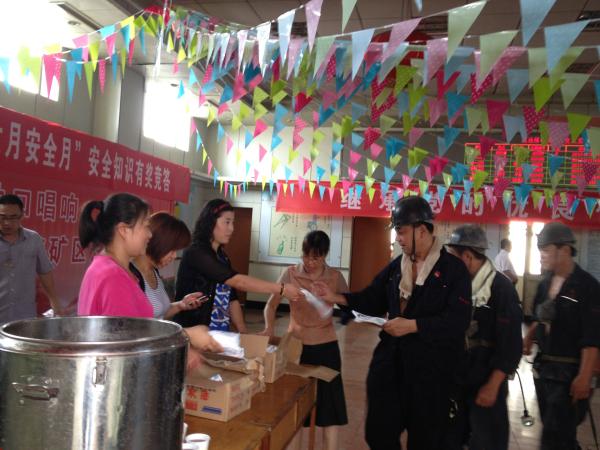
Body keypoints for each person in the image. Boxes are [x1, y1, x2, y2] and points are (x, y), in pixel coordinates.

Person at [313, 196, 472, 450]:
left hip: (430, 372)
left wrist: (413, 325)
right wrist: (336, 297)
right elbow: (373, 297)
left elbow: (457, 319)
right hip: (391, 365)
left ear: (422, 230)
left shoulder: (453, 270)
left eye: (401, 231)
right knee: (378, 434)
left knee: (426, 440)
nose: (397, 238)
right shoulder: (397, 267)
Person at [77, 193, 222, 355]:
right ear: (123, 230)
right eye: (146, 226)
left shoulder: (109, 268)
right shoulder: (114, 277)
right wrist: (187, 335)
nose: (150, 235)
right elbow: (131, 338)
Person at [260, 231, 348, 450]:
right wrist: (269, 327)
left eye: (315, 258)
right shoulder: (290, 274)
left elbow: (350, 305)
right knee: (295, 412)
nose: (309, 262)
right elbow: (271, 305)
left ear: (325, 255)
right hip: (296, 347)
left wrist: (332, 298)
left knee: (330, 414)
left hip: (327, 347)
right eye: (306, 256)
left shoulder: (335, 277)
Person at [445, 224, 523, 450]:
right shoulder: (457, 285)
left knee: (486, 442)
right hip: (458, 379)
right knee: (450, 439)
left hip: (486, 381)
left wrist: (493, 385)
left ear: (467, 257)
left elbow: (511, 344)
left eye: (453, 258)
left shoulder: (501, 288)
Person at [523, 222, 600, 450]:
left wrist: (584, 377)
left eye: (546, 250)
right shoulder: (545, 284)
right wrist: (530, 336)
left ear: (565, 250)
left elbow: (592, 337)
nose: (541, 255)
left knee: (555, 436)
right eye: (540, 250)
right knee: (555, 431)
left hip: (570, 373)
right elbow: (539, 316)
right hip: (545, 371)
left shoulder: (587, 287)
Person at [173, 199, 302, 332]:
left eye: (233, 222)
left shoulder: (222, 257)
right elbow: (239, 282)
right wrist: (282, 288)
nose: (232, 228)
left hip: (220, 333)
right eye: (227, 222)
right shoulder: (197, 252)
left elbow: (232, 298)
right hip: (194, 333)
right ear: (210, 222)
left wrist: (242, 330)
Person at [130, 212, 206, 320]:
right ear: (159, 243)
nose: (174, 256)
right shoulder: (131, 274)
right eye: (172, 249)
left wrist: (180, 305)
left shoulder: (153, 269)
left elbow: (158, 314)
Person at [0, 194, 62, 326]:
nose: (7, 223)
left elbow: (45, 272)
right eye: (2, 217)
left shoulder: (33, 239)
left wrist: (54, 302)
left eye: (13, 218)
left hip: (24, 316)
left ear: (22, 215)